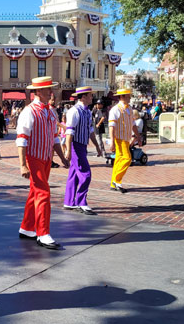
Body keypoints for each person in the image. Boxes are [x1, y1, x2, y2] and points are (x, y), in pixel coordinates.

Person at [16, 76, 69, 250]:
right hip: (34, 157)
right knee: (43, 193)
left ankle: (26, 227)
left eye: (50, 88)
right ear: (38, 92)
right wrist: (23, 164)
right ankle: (43, 233)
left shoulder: (51, 112)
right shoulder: (29, 112)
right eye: (47, 89)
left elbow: (55, 138)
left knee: (35, 192)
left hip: (46, 158)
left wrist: (61, 157)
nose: (50, 92)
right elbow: (22, 139)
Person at [63, 87, 101, 215]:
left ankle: (69, 201)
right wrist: (68, 150)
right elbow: (69, 132)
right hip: (75, 146)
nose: (92, 97)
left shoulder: (88, 112)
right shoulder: (74, 111)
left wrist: (96, 145)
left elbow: (90, 131)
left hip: (82, 146)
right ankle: (81, 202)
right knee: (86, 174)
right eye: (90, 95)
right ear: (83, 97)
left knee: (73, 175)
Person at [109, 88, 140, 193]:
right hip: (119, 139)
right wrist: (112, 141)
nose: (129, 97)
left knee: (119, 160)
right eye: (127, 96)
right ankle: (116, 181)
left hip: (126, 139)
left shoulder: (129, 109)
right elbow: (111, 126)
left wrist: (138, 137)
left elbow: (133, 124)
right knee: (127, 159)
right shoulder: (115, 109)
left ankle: (114, 182)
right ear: (121, 97)